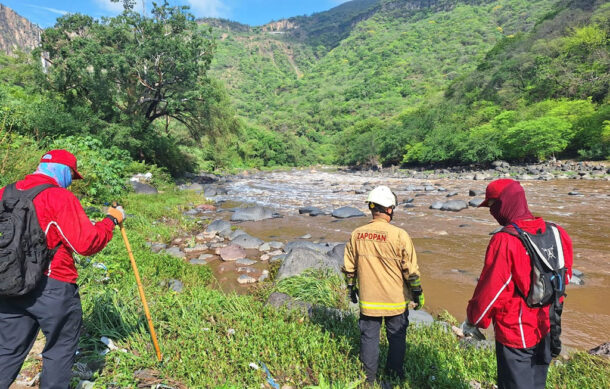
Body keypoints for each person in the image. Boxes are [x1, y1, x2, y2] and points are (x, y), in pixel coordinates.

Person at [0, 150, 125, 389]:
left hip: (8, 284)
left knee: (6, 351)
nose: (71, 181)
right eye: (71, 175)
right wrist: (111, 221)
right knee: (60, 349)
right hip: (52, 286)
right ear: (62, 170)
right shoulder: (59, 197)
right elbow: (87, 243)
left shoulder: (5, 192)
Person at [463, 178, 573, 389]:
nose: (491, 212)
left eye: (492, 205)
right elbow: (564, 278)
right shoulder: (557, 232)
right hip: (548, 326)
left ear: (506, 202)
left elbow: (491, 292)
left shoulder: (505, 240)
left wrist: (474, 320)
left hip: (516, 332)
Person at [342, 185, 425, 385]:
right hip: (395, 301)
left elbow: (348, 268)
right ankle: (394, 376)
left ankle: (368, 379)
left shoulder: (357, 234)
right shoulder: (399, 235)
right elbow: (411, 271)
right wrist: (417, 293)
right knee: (396, 338)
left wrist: (351, 289)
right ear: (389, 209)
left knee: (368, 339)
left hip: (369, 301)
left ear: (371, 208)